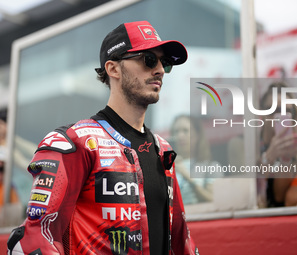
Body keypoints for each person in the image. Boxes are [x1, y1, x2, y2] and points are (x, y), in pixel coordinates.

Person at [7, 21, 198, 255]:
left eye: (164, 63)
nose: (159, 70)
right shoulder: (74, 142)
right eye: (148, 59)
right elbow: (36, 239)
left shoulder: (163, 150)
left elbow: (181, 239)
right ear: (113, 68)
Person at [259, 82, 297, 207]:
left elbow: (281, 197)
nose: (279, 116)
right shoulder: (248, 145)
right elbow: (249, 190)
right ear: (261, 113)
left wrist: (285, 160)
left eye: (287, 111)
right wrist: (268, 158)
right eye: (274, 110)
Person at [170, 115, 217, 205]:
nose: (180, 136)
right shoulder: (166, 166)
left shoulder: (211, 166)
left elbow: (212, 200)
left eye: (185, 131)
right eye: (176, 132)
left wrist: (187, 177)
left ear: (197, 135)